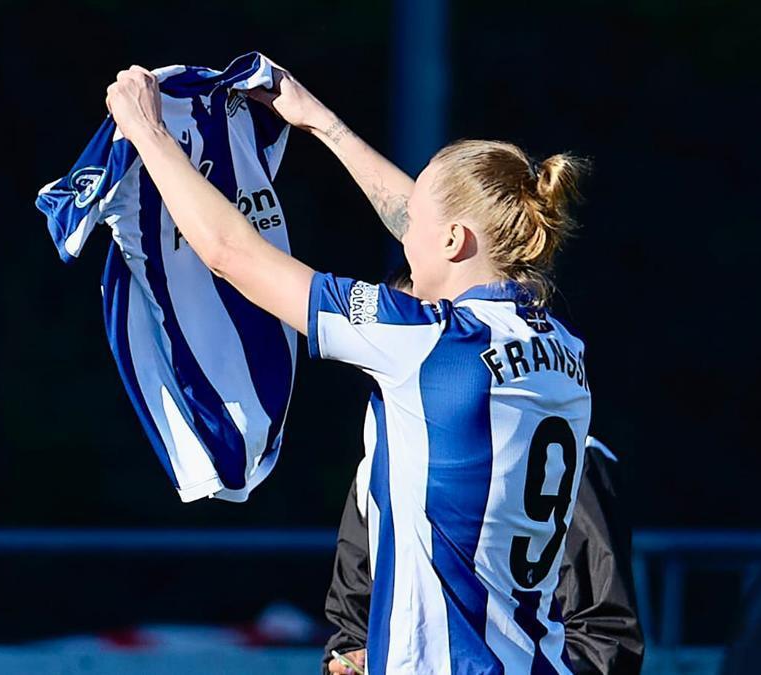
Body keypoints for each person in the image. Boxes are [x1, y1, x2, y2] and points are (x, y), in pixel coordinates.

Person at [106, 62, 591, 674]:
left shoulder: (428, 339)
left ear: (453, 241)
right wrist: (320, 124)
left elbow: (233, 255)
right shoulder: (562, 347)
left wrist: (149, 133)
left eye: (417, 222)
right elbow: (437, 230)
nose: (404, 234)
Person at [323, 422, 644, 674]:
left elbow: (603, 638)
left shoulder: (567, 455)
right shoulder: (380, 466)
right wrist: (348, 663)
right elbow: (350, 631)